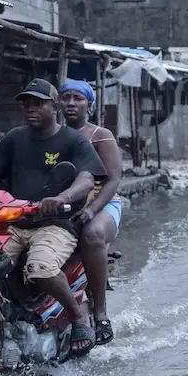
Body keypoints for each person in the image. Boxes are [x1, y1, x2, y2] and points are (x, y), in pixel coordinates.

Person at [0, 78, 107, 358]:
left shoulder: (74, 140)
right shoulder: (14, 137)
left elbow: (85, 179)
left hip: (56, 224)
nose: (30, 108)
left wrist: (62, 199)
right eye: (26, 103)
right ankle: (1, 324)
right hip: (13, 222)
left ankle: (78, 315)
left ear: (55, 107)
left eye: (38, 103)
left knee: (41, 267)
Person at [60, 79, 121, 346]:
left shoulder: (101, 135)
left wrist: (92, 210)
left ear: (90, 105)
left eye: (78, 98)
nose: (71, 103)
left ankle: (101, 313)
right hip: (63, 203)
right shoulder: (51, 135)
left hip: (102, 204)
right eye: (66, 98)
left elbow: (113, 180)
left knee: (92, 234)